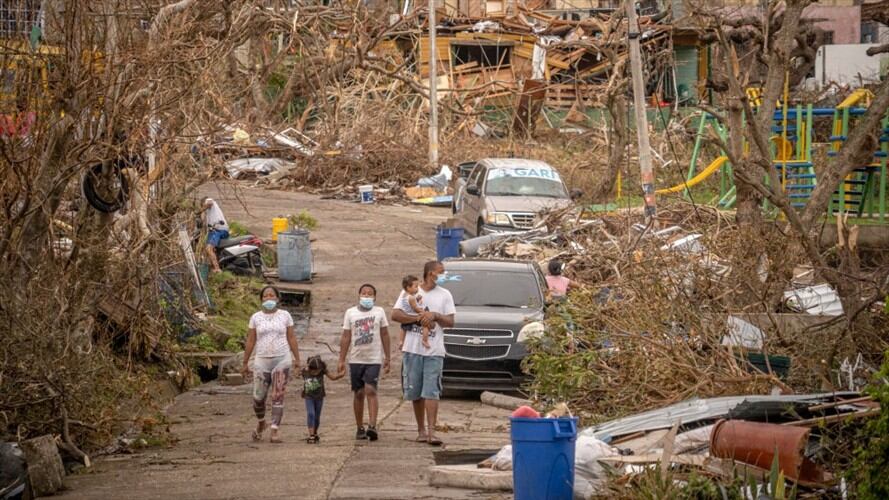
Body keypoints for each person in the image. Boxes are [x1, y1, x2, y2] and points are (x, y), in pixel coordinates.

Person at [391, 261, 455, 446]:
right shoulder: (410, 292)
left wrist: (435, 315)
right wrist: (419, 319)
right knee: (415, 391)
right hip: (412, 349)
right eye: (440, 272)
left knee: (431, 391)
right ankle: (421, 430)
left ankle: (432, 432)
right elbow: (396, 314)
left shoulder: (445, 295)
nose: (443, 275)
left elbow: (450, 321)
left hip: (434, 350)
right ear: (429, 273)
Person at [241, 286, 301, 443]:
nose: (269, 299)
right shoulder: (255, 318)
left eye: (272, 296)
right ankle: (262, 422)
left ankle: (275, 430)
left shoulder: (285, 316)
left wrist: (297, 359)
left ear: (277, 299)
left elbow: (292, 337)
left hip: (282, 358)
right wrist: (245, 362)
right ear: (261, 299)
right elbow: (251, 340)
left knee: (277, 395)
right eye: (265, 296)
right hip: (262, 360)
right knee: (258, 397)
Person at [338, 284, 391, 442]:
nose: (367, 296)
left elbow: (385, 334)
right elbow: (346, 336)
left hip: (373, 359)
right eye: (364, 293)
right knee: (359, 393)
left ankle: (372, 426)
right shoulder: (351, 313)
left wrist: (387, 357)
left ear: (375, 297)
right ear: (359, 295)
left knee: (371, 390)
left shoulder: (379, 312)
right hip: (356, 359)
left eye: (370, 294)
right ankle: (359, 427)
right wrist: (341, 358)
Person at [301, 355, 344, 444]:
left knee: (317, 417)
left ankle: (315, 432)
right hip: (309, 397)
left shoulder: (322, 371)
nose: (315, 373)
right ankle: (311, 435)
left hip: (319, 397)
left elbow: (333, 377)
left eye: (317, 371)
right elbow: (296, 372)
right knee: (311, 414)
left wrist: (341, 374)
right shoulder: (305, 371)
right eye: (313, 371)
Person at [397, 275, 430, 350]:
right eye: (416, 286)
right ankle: (425, 340)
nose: (418, 288)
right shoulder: (411, 298)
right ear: (408, 287)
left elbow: (411, 302)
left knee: (403, 328)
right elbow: (415, 308)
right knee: (426, 325)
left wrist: (418, 299)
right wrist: (422, 311)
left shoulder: (404, 295)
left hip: (406, 314)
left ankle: (401, 341)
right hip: (414, 315)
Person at [201, 197, 229, 273]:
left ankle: (217, 269)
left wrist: (201, 209)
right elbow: (203, 222)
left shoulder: (210, 202)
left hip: (218, 230)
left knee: (208, 248)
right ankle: (212, 267)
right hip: (218, 230)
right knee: (212, 249)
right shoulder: (209, 212)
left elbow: (210, 202)